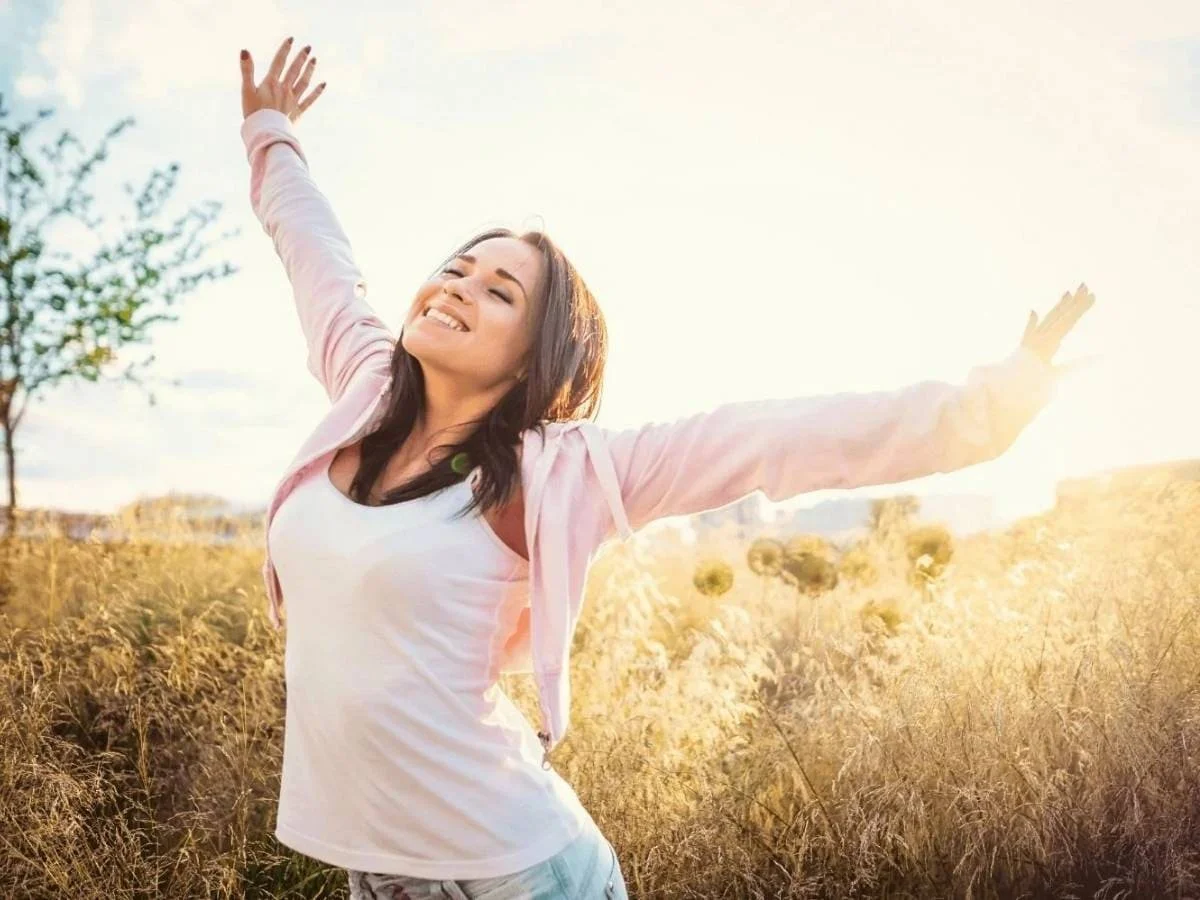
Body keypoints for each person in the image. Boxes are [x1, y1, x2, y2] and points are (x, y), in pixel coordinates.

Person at [237, 36, 1095, 900]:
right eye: (456, 269)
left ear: (535, 361)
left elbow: (773, 435)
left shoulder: (554, 476)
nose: (456, 287)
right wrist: (271, 133)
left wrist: (991, 407)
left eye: (499, 291)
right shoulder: (362, 389)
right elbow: (317, 255)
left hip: (516, 874)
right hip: (375, 870)